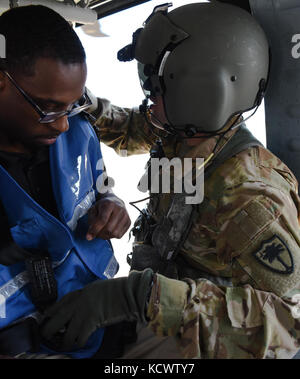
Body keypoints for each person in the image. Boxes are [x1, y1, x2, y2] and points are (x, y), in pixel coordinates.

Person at [42, 2, 300, 359]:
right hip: (163, 319)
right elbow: (128, 129)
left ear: (201, 91)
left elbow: (291, 323)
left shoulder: (248, 196)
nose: (150, 99)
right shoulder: (183, 132)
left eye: (158, 88)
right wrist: (76, 99)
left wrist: (137, 297)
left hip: (205, 341)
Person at [0, 5, 131, 359]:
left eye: (71, 107)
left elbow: (100, 186)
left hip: (99, 321)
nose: (61, 125)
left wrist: (113, 203)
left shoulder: (79, 133)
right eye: (48, 108)